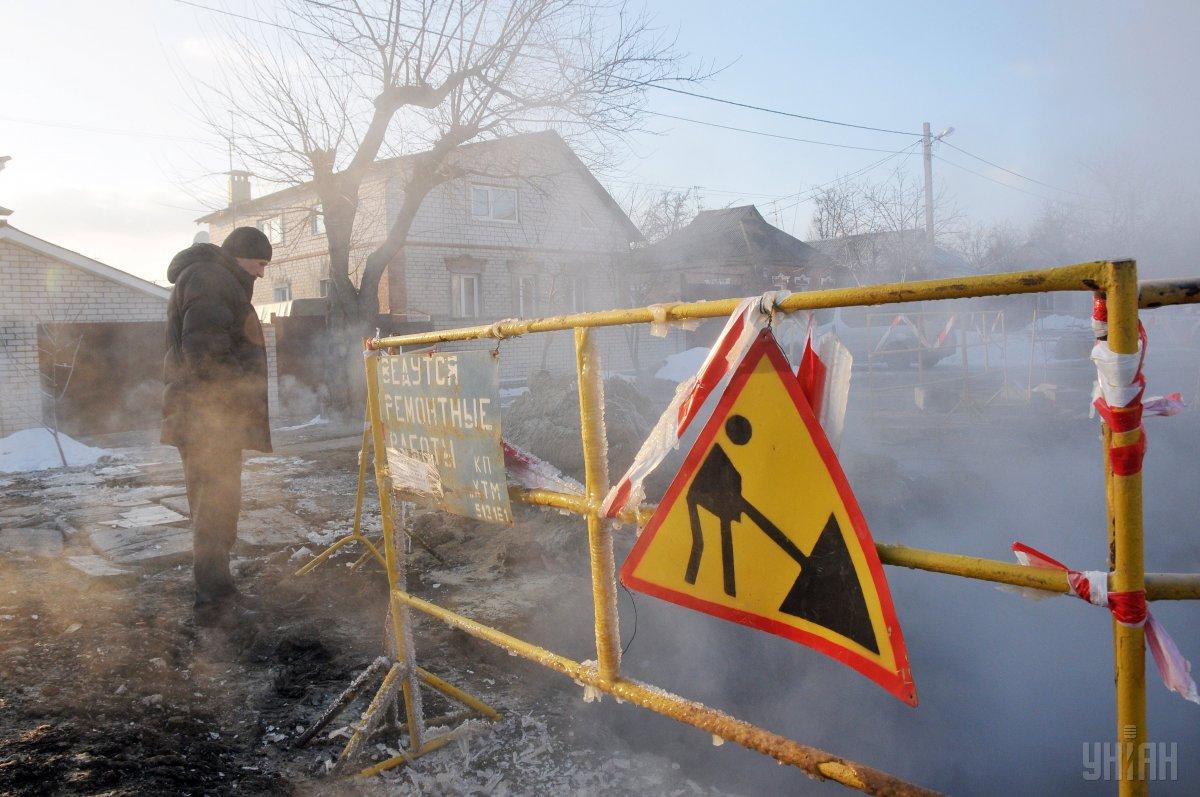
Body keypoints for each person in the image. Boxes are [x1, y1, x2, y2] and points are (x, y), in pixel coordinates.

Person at [161, 227, 273, 626]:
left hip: (206, 416)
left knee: (215, 504)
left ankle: (217, 590)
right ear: (241, 256)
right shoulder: (210, 279)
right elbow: (205, 352)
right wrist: (228, 407)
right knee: (215, 505)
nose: (262, 273)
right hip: (208, 417)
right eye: (260, 263)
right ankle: (213, 602)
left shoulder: (214, 278)